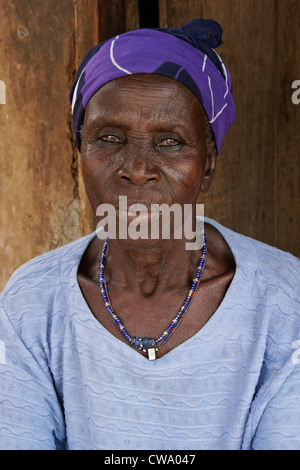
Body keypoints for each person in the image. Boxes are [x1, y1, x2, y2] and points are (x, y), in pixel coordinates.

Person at [0, 19, 300, 451]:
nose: (137, 169)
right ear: (80, 153)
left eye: (170, 142)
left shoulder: (284, 300)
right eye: (108, 137)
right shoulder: (32, 302)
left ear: (209, 164)